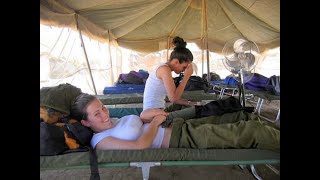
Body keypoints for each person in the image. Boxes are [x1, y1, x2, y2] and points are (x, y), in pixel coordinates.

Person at [70, 93, 280, 152]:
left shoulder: (113, 120)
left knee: (236, 115)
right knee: (251, 130)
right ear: (86, 122)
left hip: (177, 125)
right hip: (183, 138)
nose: (105, 114)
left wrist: (147, 117)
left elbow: (137, 122)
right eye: (97, 114)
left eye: (104, 108)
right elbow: (140, 146)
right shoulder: (101, 140)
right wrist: (154, 124)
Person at [140, 36, 195, 122]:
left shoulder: (165, 69)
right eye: (184, 67)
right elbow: (174, 98)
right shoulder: (164, 69)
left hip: (158, 111)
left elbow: (174, 98)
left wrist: (189, 103)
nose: (184, 70)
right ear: (176, 62)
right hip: (151, 114)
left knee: (188, 109)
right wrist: (186, 77)